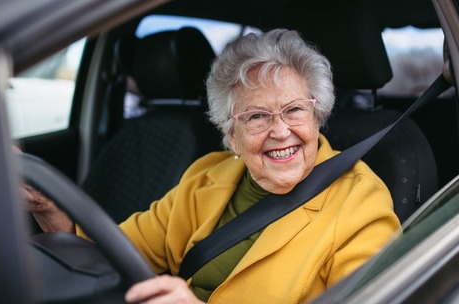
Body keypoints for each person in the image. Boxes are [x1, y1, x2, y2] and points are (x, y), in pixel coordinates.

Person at [25, 28, 400, 303]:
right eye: (256, 117)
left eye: (294, 110)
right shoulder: (207, 175)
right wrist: (48, 205)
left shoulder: (360, 206)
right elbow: (114, 252)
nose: (281, 131)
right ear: (230, 133)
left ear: (317, 114)